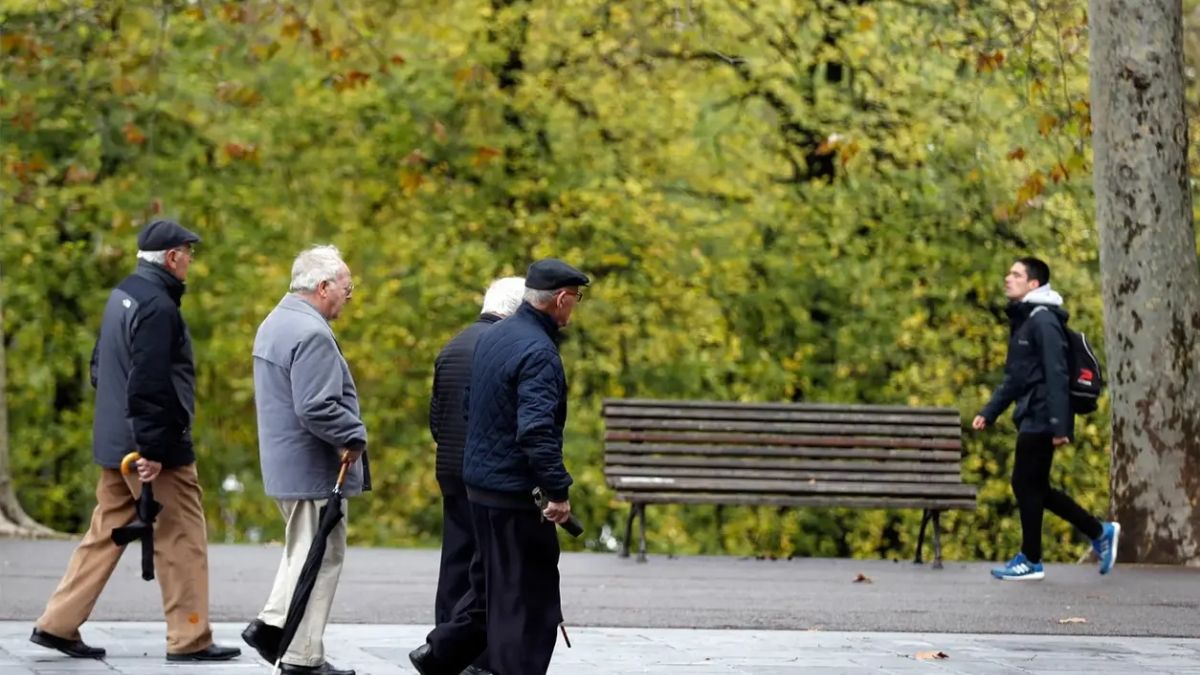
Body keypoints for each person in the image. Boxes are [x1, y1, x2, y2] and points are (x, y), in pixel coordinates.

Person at [31, 219, 241, 663]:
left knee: (105, 532)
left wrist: (124, 434)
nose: (190, 261)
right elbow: (148, 384)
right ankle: (189, 638)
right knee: (182, 536)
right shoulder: (159, 308)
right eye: (188, 253)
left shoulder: (123, 294)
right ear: (171, 258)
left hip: (116, 440)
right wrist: (153, 450)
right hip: (150, 450)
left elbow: (98, 366)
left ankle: (57, 623)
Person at [409, 259, 588, 675]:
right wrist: (558, 491)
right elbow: (537, 431)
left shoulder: (495, 337)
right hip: (516, 493)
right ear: (561, 299)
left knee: (488, 583)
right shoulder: (539, 353)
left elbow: (471, 409)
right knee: (526, 599)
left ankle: (442, 652)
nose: (574, 308)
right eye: (575, 299)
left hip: (480, 488)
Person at [241, 245, 366, 675]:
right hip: (312, 468)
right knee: (321, 557)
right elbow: (316, 406)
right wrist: (354, 435)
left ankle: (274, 628)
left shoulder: (275, 322)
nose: (350, 296)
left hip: (286, 464)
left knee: (301, 552)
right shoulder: (311, 333)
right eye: (347, 288)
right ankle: (299, 654)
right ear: (323, 286)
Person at [973, 256, 1119, 581]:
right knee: (1036, 487)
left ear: (1033, 284)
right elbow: (1015, 377)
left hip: (1042, 415)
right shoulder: (1027, 321)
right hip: (1032, 412)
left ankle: (1032, 559)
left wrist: (1060, 425)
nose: (1007, 278)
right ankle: (1099, 531)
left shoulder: (1043, 321)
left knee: (1025, 483)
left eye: (1015, 274)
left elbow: (1057, 373)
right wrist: (989, 412)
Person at [429, 277, 525, 629]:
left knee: (454, 557)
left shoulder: (453, 345)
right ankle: (470, 643)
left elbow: (436, 418)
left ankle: (443, 635)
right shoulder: (503, 348)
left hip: (450, 466)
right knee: (488, 562)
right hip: (486, 472)